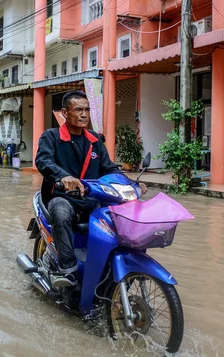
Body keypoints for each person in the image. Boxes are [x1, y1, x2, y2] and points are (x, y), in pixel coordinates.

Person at [35, 90, 146, 288]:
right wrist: (63, 176)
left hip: (91, 198)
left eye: (87, 109)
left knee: (117, 215)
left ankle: (107, 265)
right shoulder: (51, 137)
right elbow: (43, 160)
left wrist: (131, 184)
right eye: (78, 110)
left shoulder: (95, 140)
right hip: (63, 197)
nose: (84, 114)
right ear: (65, 113)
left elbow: (109, 168)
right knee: (60, 212)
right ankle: (68, 271)